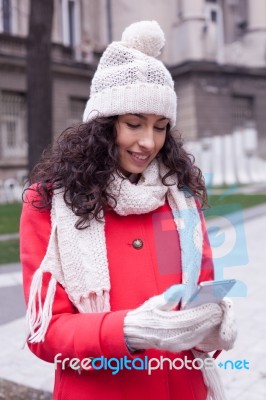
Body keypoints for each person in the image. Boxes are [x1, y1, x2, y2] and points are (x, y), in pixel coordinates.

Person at [20, 20, 237, 400]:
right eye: (134, 124)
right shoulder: (49, 203)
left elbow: (196, 301)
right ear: (103, 126)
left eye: (161, 126)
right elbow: (45, 333)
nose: (148, 142)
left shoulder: (181, 200)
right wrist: (127, 330)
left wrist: (213, 325)